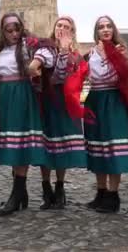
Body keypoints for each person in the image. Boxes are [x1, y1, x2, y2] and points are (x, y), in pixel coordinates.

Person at [0, 13, 48, 216]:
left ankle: (17, 193)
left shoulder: (28, 46)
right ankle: (20, 193)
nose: (14, 34)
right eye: (9, 30)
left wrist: (36, 64)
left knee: (21, 142)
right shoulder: (2, 50)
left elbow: (47, 51)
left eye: (17, 29)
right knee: (11, 144)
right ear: (3, 32)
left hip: (21, 94)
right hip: (4, 97)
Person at [28, 16, 88, 210]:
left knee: (63, 144)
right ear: (53, 28)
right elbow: (53, 77)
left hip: (65, 102)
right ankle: (46, 188)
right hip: (48, 100)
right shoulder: (46, 49)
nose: (62, 29)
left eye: (67, 27)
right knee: (46, 144)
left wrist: (65, 52)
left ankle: (60, 187)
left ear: (72, 32)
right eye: (59, 25)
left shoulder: (75, 54)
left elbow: (71, 76)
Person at [83, 15, 128, 213]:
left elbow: (126, 76)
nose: (105, 30)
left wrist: (123, 61)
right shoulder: (91, 53)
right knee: (97, 146)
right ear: (96, 31)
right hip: (95, 100)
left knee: (114, 147)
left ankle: (113, 196)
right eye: (101, 27)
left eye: (108, 26)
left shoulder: (121, 51)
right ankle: (101, 192)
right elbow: (86, 80)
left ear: (113, 30)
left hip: (113, 101)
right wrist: (80, 102)